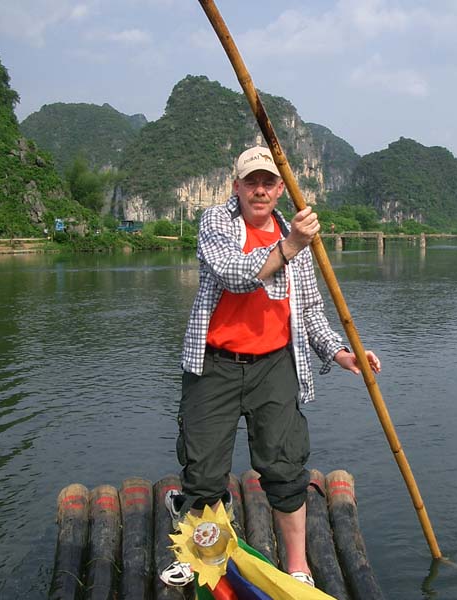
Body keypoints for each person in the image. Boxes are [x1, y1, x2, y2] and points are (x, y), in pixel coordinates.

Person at [163, 146, 381, 588]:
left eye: (268, 182)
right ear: (236, 185)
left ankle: (297, 566)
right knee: (203, 472)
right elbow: (233, 274)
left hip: (276, 366)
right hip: (214, 366)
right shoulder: (216, 223)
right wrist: (292, 245)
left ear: (280, 188)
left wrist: (339, 353)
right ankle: (202, 554)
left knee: (284, 469)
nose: (259, 190)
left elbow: (311, 310)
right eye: (251, 182)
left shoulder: (291, 232)